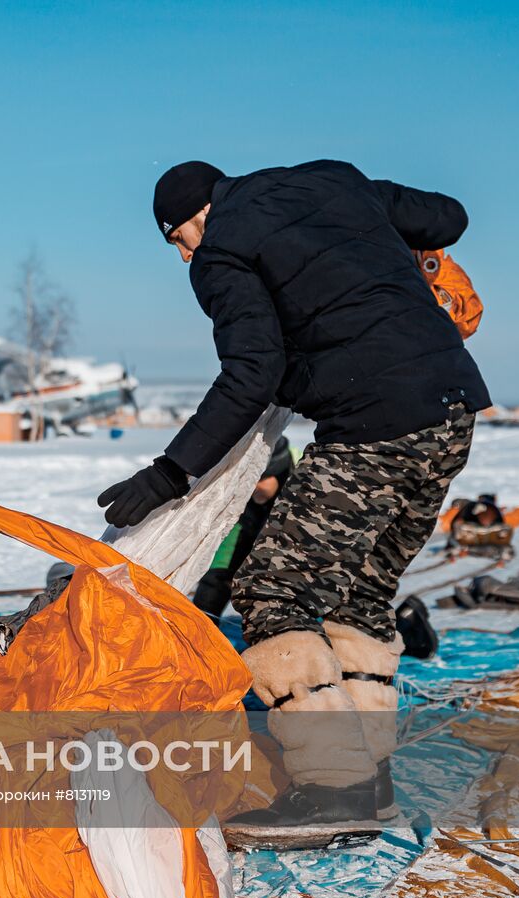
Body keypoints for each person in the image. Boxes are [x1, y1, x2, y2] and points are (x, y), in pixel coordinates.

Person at [98, 159, 489, 847]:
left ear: (194, 217)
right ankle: (369, 777)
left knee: (273, 590)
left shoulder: (221, 250)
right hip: (454, 409)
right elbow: (449, 216)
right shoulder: (336, 179)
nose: (186, 254)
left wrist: (169, 473)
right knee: (359, 599)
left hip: (376, 422)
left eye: (178, 240)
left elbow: (252, 372)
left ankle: (333, 787)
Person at [190, 437, 295, 620]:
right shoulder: (245, 496)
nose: (253, 486)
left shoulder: (301, 497)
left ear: (277, 474)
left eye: (261, 479)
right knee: (217, 577)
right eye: (249, 479)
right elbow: (222, 564)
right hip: (249, 521)